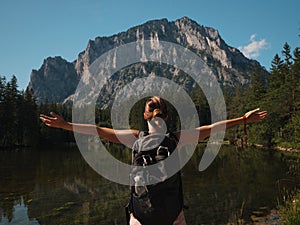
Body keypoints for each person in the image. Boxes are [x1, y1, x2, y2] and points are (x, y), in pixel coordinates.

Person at [40, 96, 267, 225]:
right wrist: (243, 119)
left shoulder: (135, 138)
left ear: (145, 116)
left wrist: (66, 125)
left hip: (140, 214)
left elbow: (97, 130)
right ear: (167, 117)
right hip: (172, 215)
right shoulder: (176, 138)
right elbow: (211, 128)